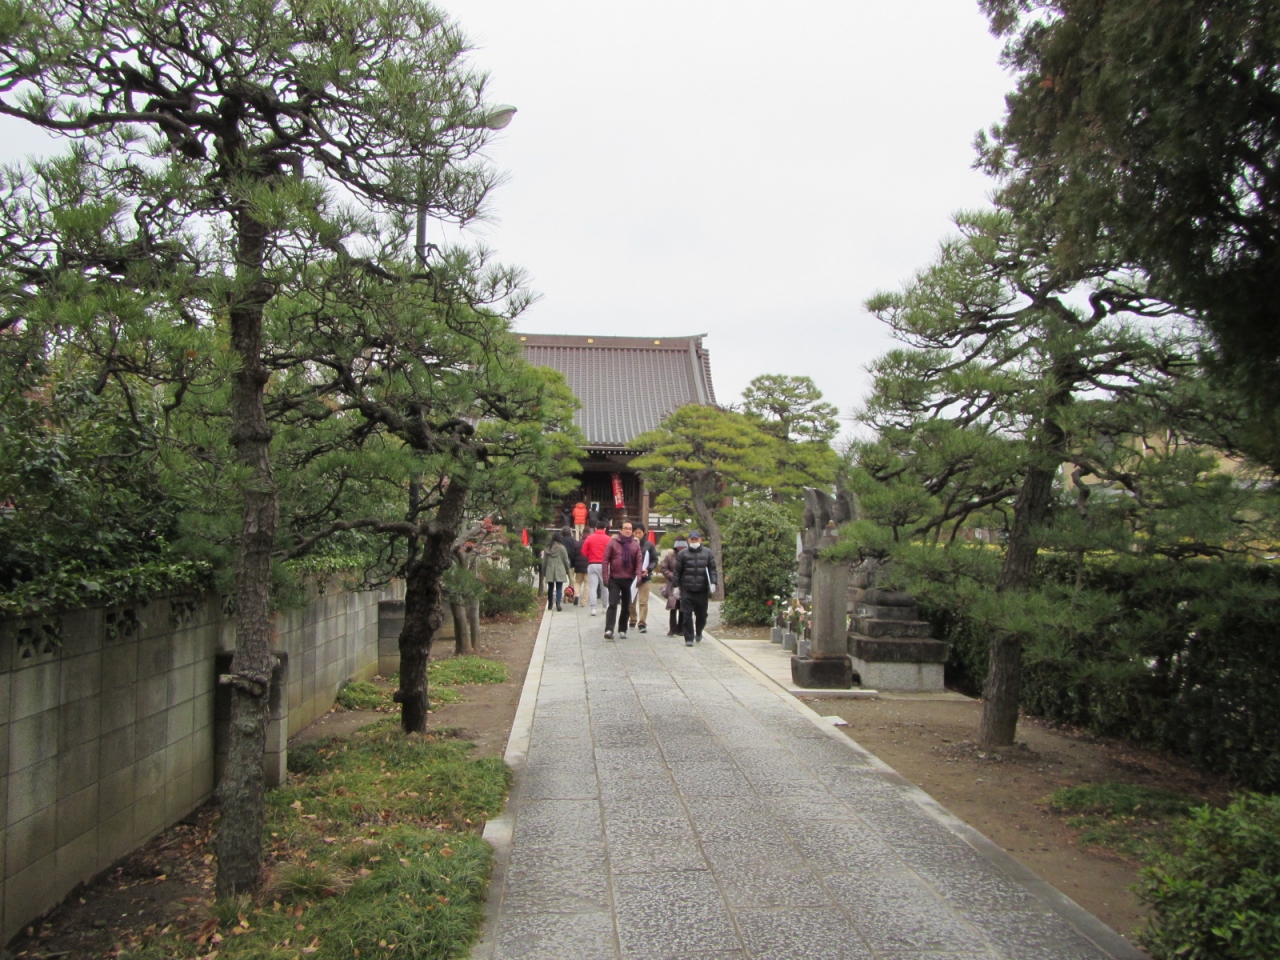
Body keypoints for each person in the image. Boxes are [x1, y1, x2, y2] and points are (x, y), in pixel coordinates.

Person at [674, 529, 717, 646]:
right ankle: (689, 638)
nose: (694, 541)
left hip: (702, 590)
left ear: (700, 540)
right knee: (687, 614)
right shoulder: (682, 554)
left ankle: (699, 630)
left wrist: (713, 582)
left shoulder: (708, 553)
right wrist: (676, 586)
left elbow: (712, 569)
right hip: (687, 589)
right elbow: (677, 571)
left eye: (696, 539)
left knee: (702, 615)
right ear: (688, 540)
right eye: (692, 539)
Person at [602, 520, 642, 640]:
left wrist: (638, 577)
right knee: (613, 604)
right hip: (615, 578)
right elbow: (605, 561)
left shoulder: (635, 545)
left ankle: (622, 629)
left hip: (629, 579)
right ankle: (609, 629)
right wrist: (605, 577)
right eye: (626, 528)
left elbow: (639, 562)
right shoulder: (612, 543)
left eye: (630, 529)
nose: (628, 531)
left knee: (626, 606)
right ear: (620, 530)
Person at [629, 523, 659, 633]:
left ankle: (642, 622)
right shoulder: (629, 543)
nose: (638, 535)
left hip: (644, 576)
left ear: (644, 533)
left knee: (643, 601)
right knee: (631, 601)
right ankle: (632, 619)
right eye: (636, 532)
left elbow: (655, 560)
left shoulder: (649, 545)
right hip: (631, 576)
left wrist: (648, 569)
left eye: (640, 533)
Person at [580, 521, 611, 616]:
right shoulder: (608, 539)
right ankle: (605, 607)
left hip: (592, 564)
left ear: (595, 528)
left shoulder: (589, 538)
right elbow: (612, 552)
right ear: (605, 529)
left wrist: (590, 555)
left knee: (593, 587)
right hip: (604, 565)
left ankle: (593, 608)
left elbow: (583, 552)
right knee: (605, 587)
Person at [660, 537, 687, 636]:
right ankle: (672, 628)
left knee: (683, 607)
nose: (681, 548)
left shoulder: (688, 555)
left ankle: (681, 629)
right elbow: (664, 568)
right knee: (673, 606)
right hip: (673, 584)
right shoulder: (670, 556)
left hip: (684, 584)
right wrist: (672, 576)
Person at [541, 531, 571, 612]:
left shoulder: (548, 548)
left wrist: (543, 571)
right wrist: (567, 569)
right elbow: (565, 560)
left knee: (550, 587)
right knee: (559, 587)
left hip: (549, 569)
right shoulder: (562, 548)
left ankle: (550, 604)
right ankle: (558, 604)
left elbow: (544, 561)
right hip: (560, 569)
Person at [561, 525, 587, 605]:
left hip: (561, 562)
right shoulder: (573, 541)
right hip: (570, 562)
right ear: (570, 532)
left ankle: (561, 593)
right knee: (572, 580)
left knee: (560, 580)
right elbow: (574, 552)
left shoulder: (560, 540)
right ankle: (571, 594)